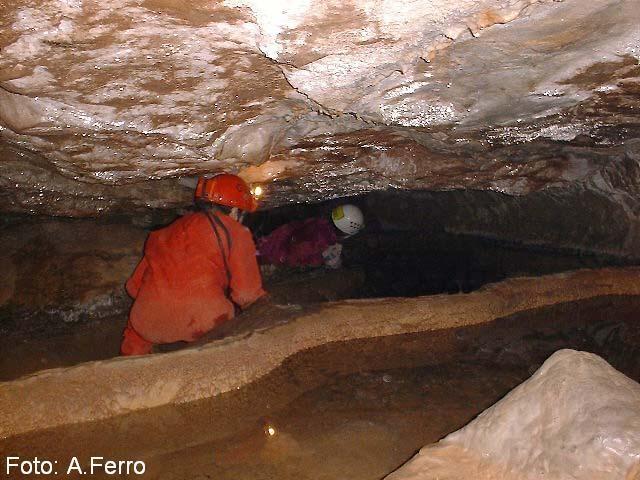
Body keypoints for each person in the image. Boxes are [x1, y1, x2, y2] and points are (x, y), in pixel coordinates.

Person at [120, 174, 265, 356]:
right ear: (235, 211)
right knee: (237, 320)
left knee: (136, 328)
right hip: (204, 322)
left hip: (148, 323)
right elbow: (247, 294)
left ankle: (133, 364)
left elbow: (133, 287)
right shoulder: (235, 231)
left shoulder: (164, 232)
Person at [257, 204, 365, 270]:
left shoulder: (319, 223)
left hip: (268, 241)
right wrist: (320, 260)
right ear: (345, 232)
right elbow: (291, 257)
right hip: (265, 253)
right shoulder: (320, 240)